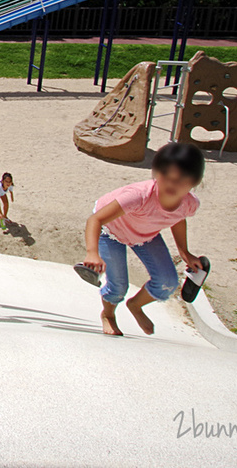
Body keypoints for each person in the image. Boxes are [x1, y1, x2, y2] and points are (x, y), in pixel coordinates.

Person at [79, 142, 207, 337]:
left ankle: (136, 306)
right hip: (111, 231)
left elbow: (178, 218)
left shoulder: (189, 203)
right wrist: (92, 252)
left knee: (167, 282)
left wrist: (185, 252)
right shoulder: (139, 196)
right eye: (167, 178)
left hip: (145, 235)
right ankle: (108, 315)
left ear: (194, 182)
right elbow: (95, 219)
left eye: (181, 181)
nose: (172, 185)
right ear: (156, 173)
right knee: (118, 287)